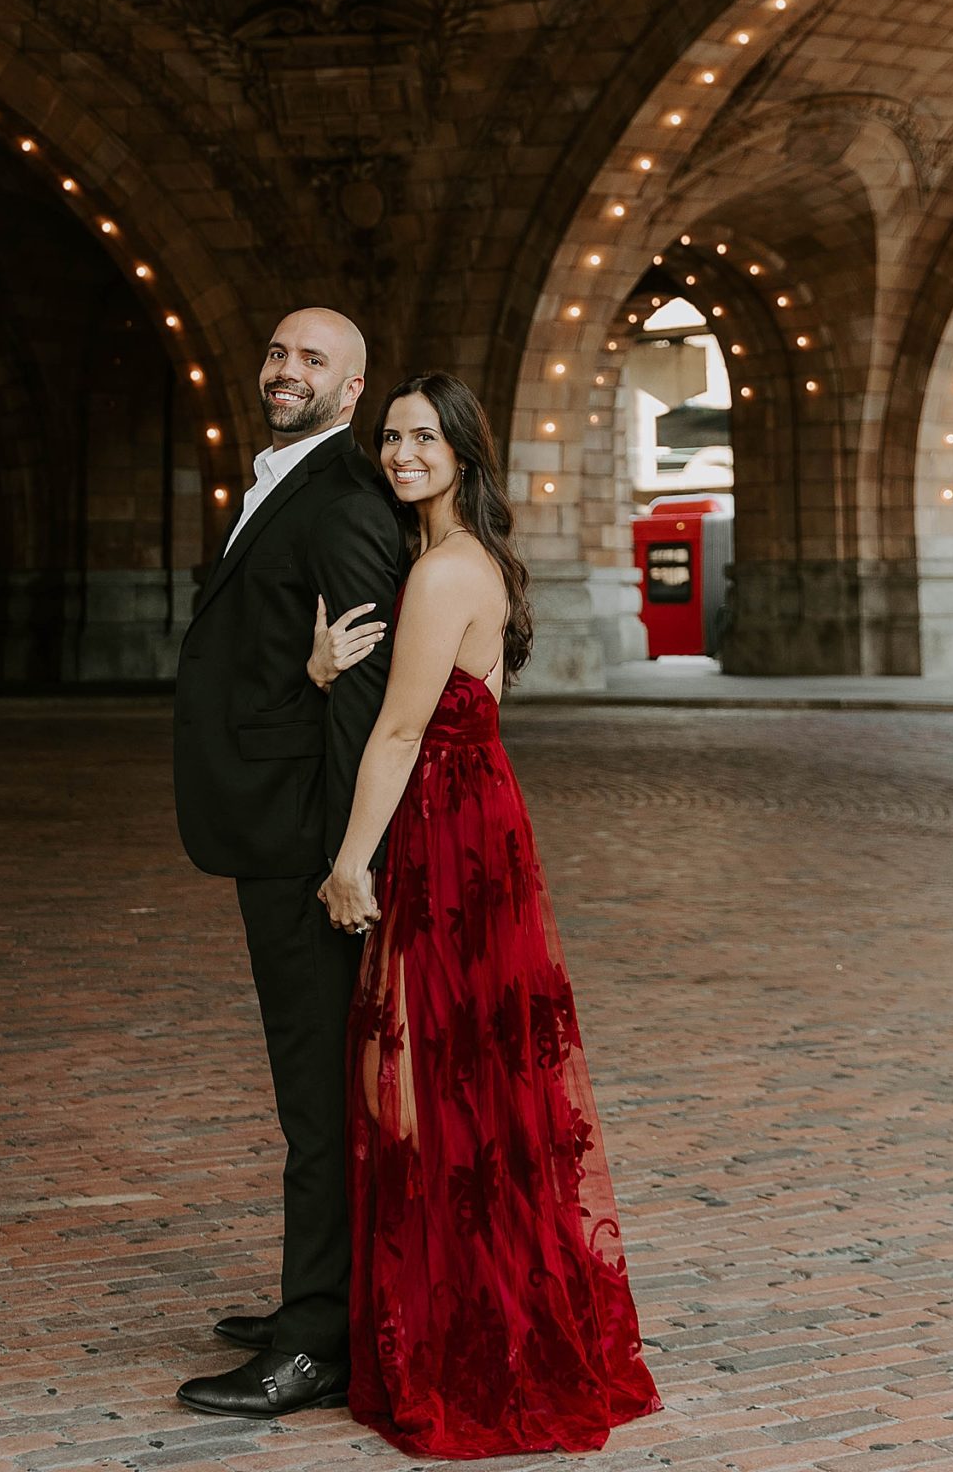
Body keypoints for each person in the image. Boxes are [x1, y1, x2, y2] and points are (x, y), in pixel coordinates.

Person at [320, 372, 663, 1457]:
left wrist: (346, 863)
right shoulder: (478, 564)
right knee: (474, 1074)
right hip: (482, 822)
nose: (402, 452)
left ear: (464, 451)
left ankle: (463, 1332)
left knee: (424, 1077)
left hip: (445, 831)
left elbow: (398, 735)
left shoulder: (441, 572)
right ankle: (473, 1308)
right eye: (390, 436)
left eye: (424, 435)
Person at [173, 306, 407, 1422]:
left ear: (353, 390)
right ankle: (320, 1294)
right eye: (278, 352)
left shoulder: (348, 503)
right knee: (305, 1090)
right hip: (269, 835)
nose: (287, 370)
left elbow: (363, 707)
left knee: (320, 1100)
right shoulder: (278, 480)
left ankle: (318, 1338)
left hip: (311, 852)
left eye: (315, 359)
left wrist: (345, 864)